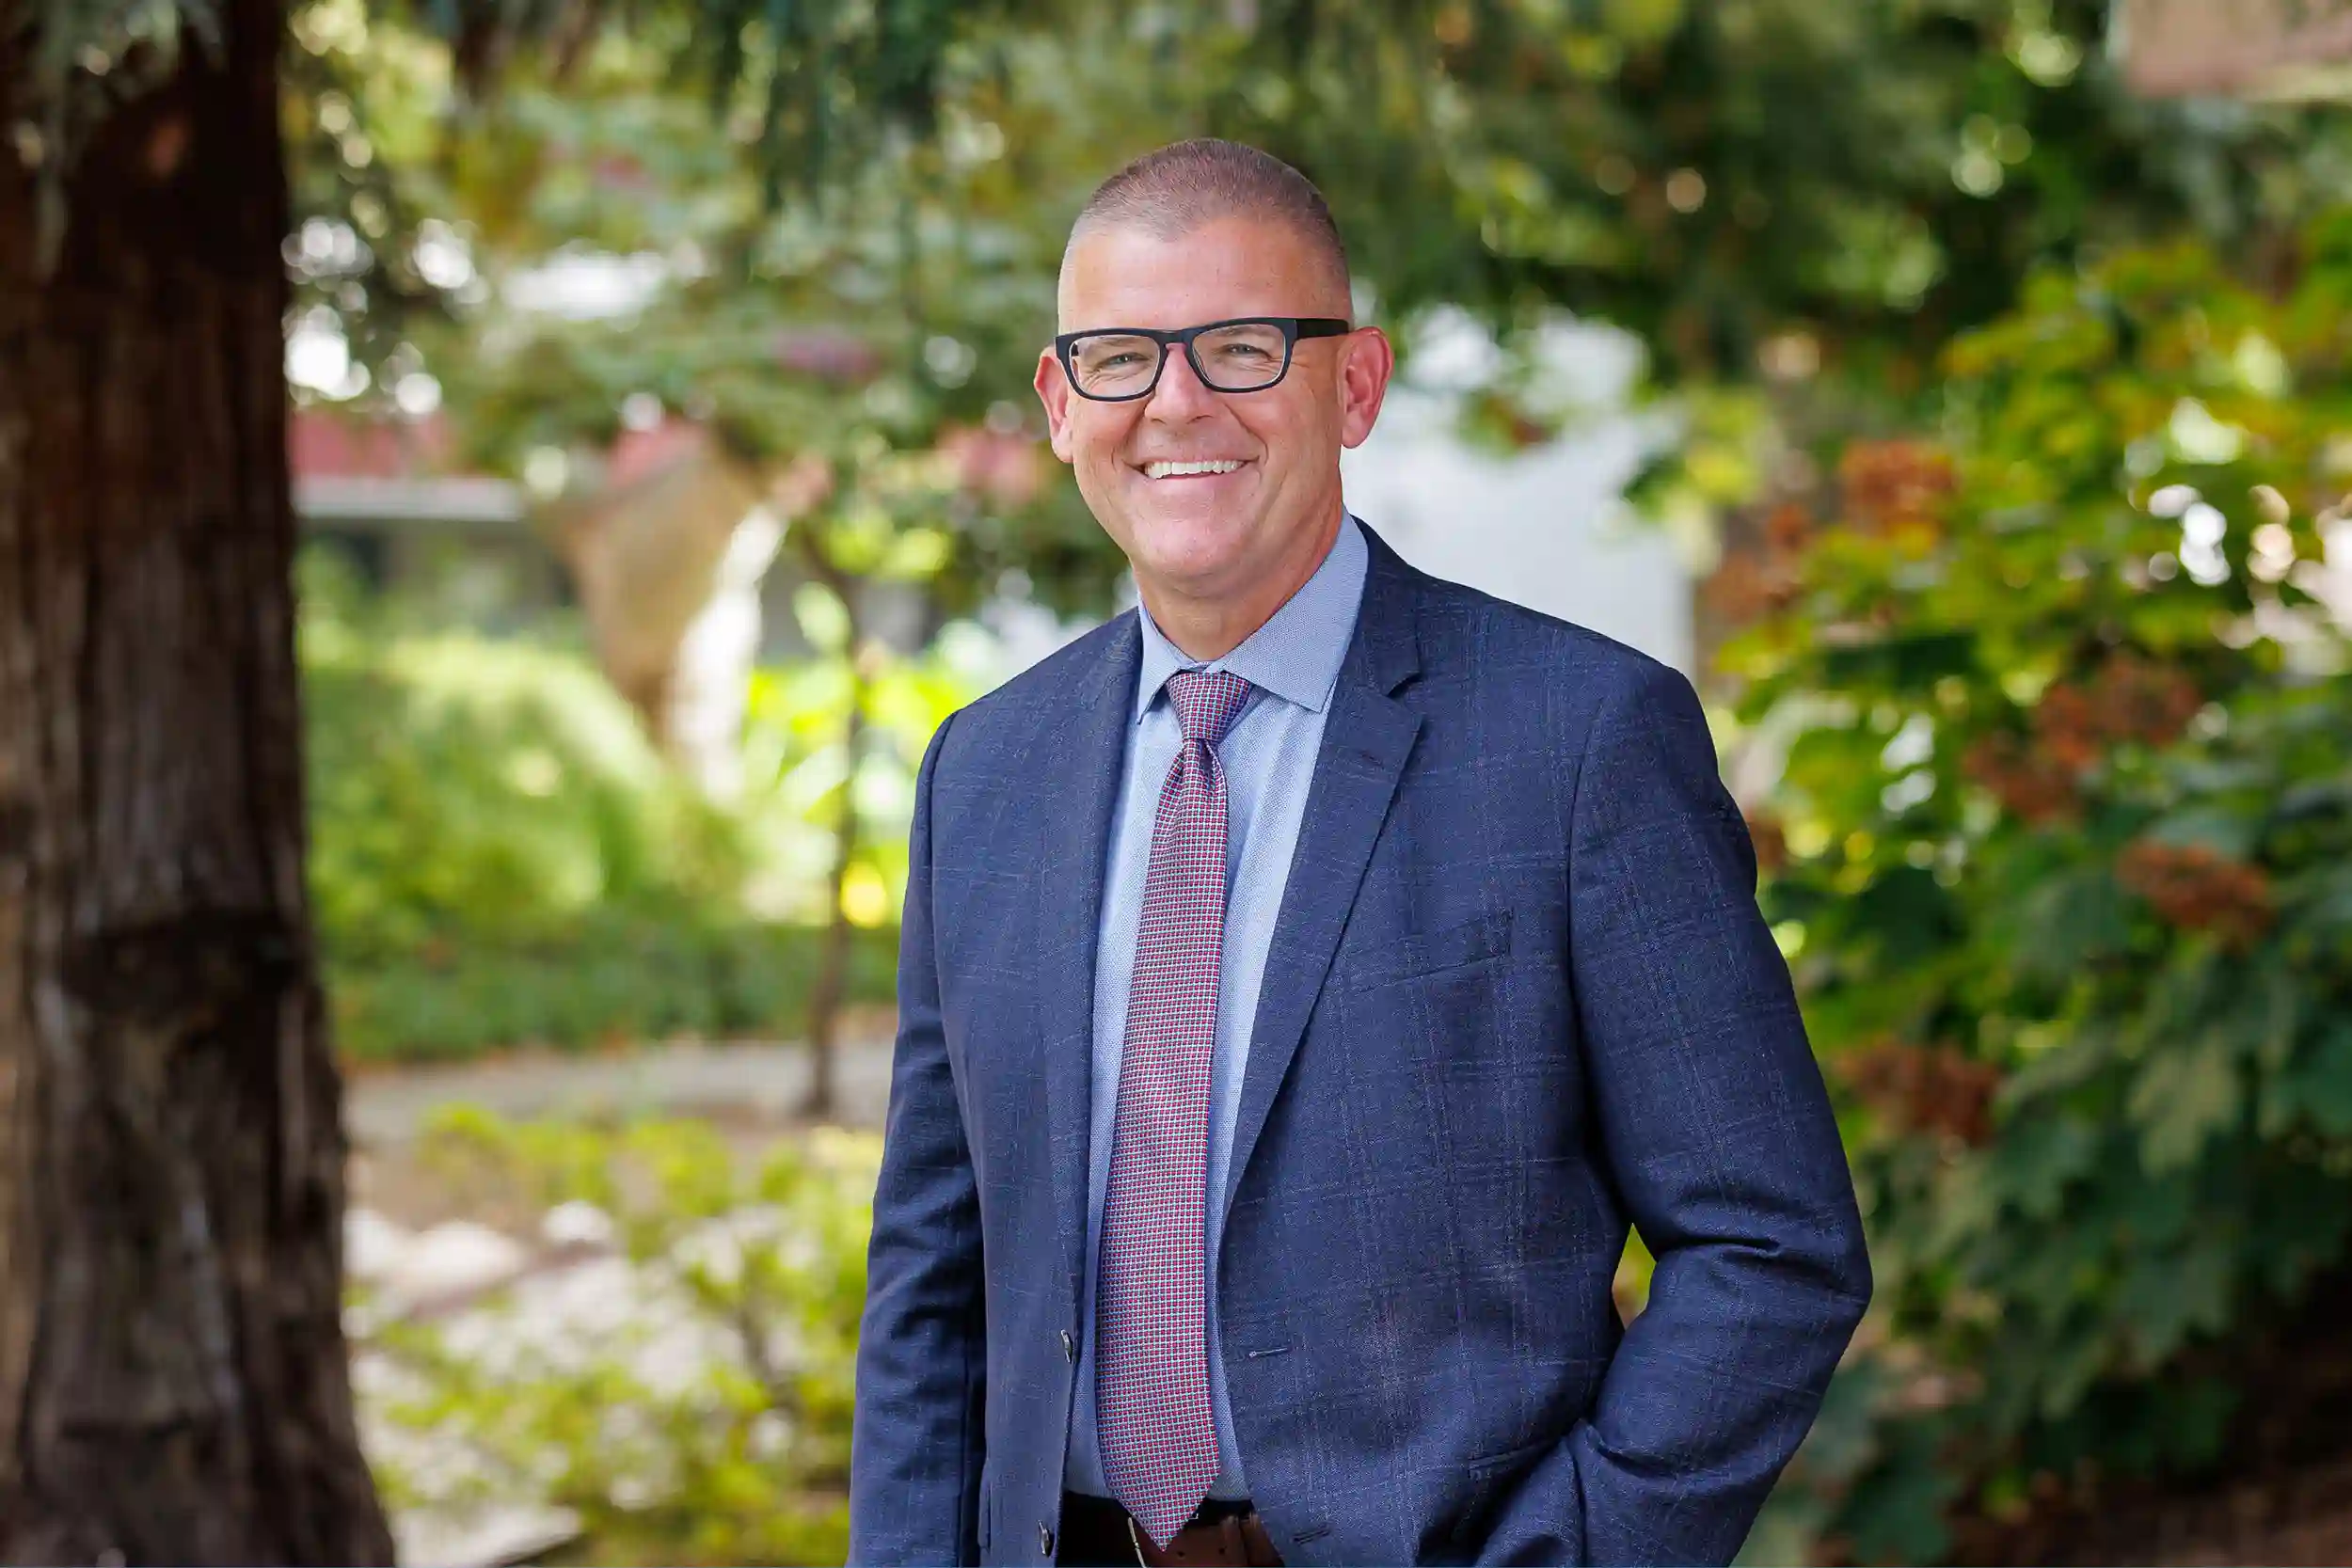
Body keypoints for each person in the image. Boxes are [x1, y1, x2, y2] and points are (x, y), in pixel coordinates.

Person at [849, 138, 1870, 1568]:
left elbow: (1772, 1246)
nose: (1177, 402)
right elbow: (933, 1276)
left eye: (1244, 348)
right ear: (1060, 401)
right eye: (1123, 356)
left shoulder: (1579, 742)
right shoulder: (988, 770)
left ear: (1356, 383)